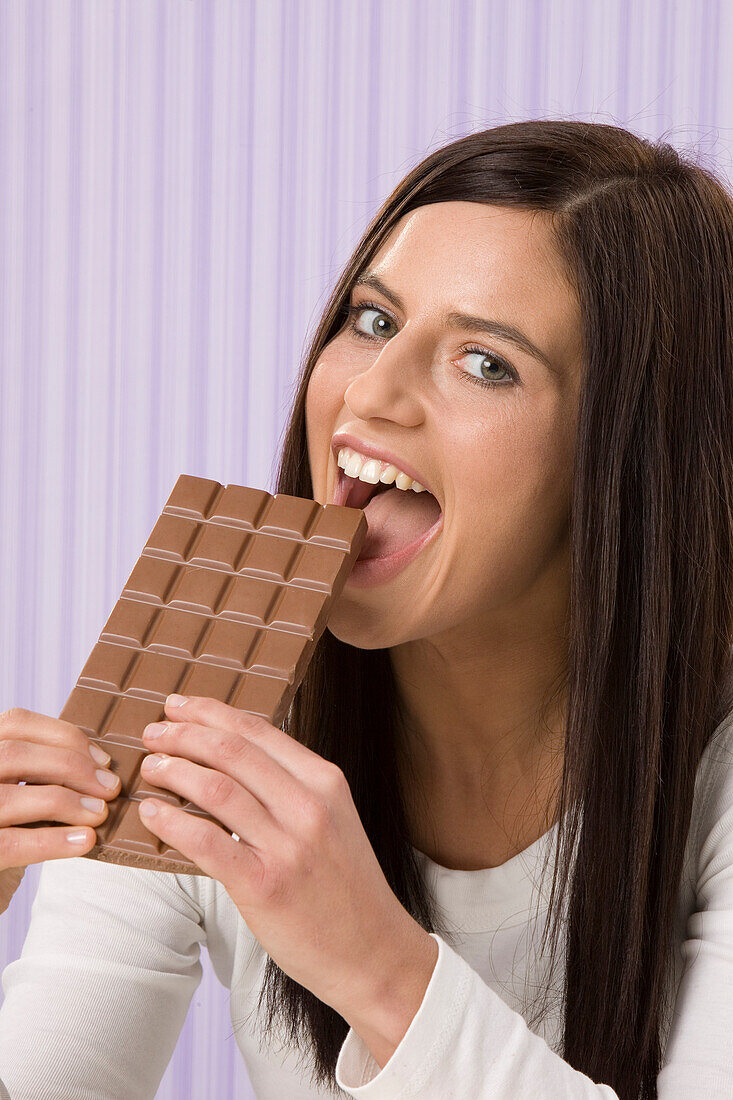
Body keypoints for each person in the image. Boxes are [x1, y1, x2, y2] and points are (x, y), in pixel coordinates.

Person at [1, 119, 732, 1099]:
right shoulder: (202, 699)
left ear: (624, 460)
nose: (370, 393)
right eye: (374, 321)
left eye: (486, 363)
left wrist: (381, 970)